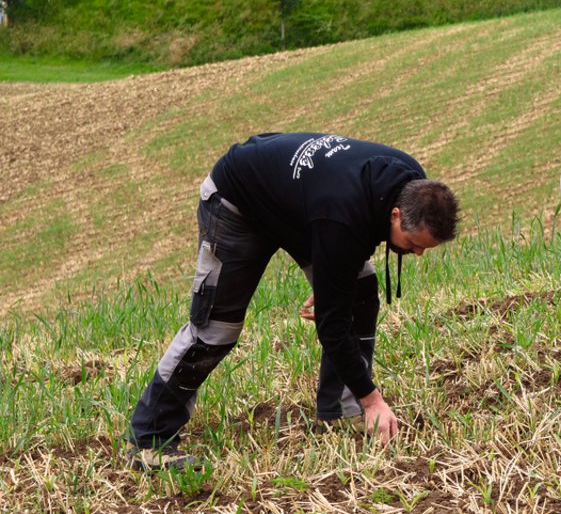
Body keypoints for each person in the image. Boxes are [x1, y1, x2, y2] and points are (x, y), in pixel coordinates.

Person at [127, 132, 459, 471]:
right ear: (396, 214)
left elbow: (353, 233)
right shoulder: (342, 213)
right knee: (215, 328)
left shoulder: (411, 181)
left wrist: (334, 277)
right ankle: (149, 441)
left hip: (302, 207)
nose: (417, 253)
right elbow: (331, 324)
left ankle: (341, 412)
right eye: (414, 243)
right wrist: (372, 399)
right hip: (237, 200)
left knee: (358, 291)